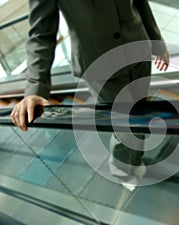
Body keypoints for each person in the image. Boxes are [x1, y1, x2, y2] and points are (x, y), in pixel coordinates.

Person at [10, 0, 169, 189]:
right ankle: (121, 168)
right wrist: (36, 87)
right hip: (101, 69)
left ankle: (135, 157)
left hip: (138, 51)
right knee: (125, 125)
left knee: (140, 114)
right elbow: (41, 33)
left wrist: (157, 42)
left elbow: (140, 3)